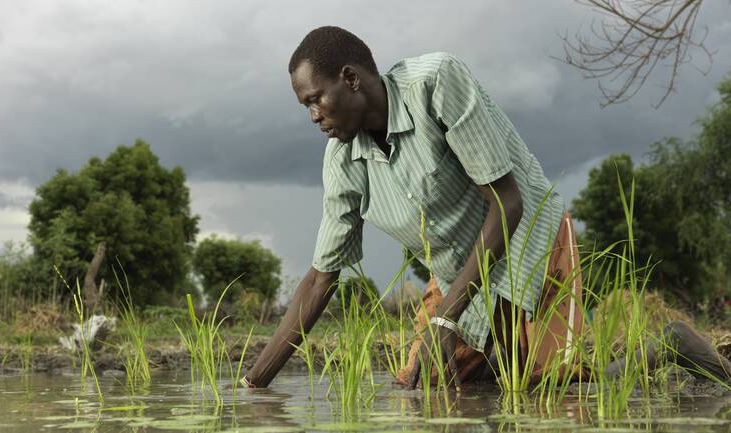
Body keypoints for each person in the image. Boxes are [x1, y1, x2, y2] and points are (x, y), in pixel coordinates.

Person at [239, 26, 730, 390]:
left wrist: (445, 321)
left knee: (551, 391)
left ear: (350, 79)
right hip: (458, 271)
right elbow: (319, 279)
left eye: (314, 100)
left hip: (529, 241)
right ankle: (499, 361)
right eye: (305, 106)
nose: (313, 116)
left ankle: (670, 345)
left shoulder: (435, 83)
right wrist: (253, 386)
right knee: (422, 388)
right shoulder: (343, 159)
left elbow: (507, 203)